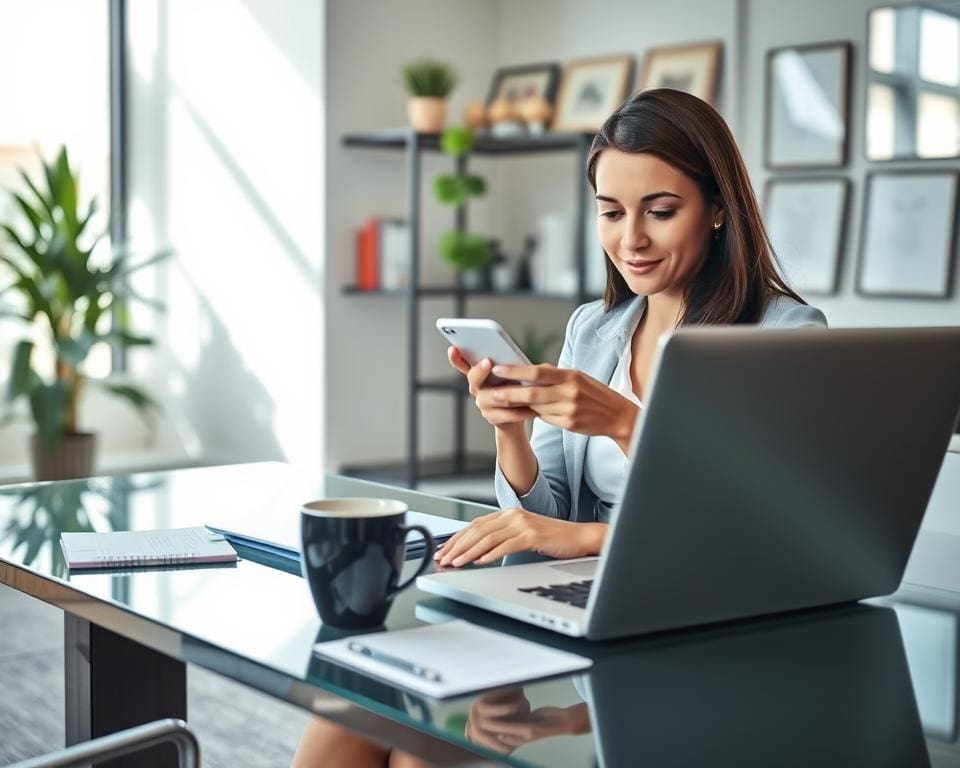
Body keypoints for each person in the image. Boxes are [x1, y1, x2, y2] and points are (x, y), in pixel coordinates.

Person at [436, 88, 827, 570]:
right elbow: (542, 523)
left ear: (719, 210)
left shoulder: (785, 335)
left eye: (661, 212)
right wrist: (511, 431)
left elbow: (761, 525)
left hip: (711, 589)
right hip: (586, 584)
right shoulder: (590, 328)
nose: (631, 240)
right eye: (612, 213)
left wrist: (624, 425)